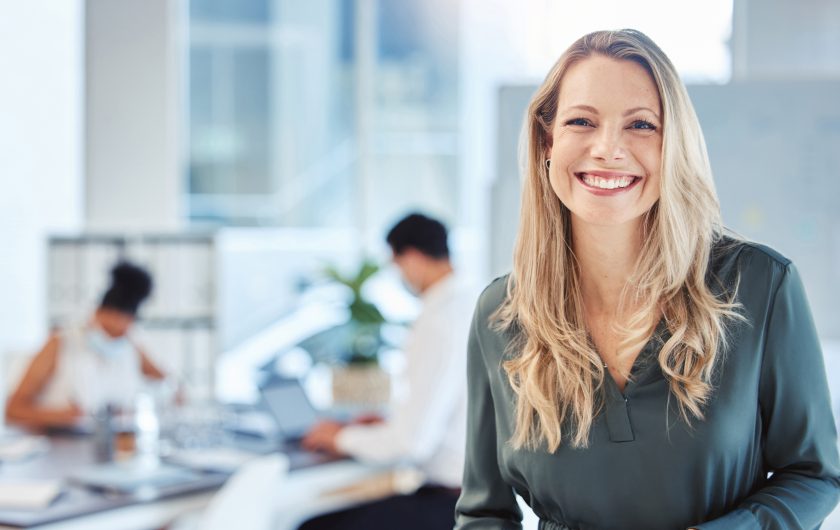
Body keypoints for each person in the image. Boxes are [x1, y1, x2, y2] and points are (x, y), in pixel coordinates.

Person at [455, 29, 840, 530]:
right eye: (581, 121)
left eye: (640, 124)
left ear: (674, 144)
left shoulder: (760, 285)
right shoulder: (499, 314)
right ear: (548, 140)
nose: (608, 149)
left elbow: (814, 474)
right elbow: (484, 512)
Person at [299, 212, 476, 530]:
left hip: (448, 504)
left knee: (312, 526)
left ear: (410, 258)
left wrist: (339, 437)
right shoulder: (473, 302)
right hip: (476, 501)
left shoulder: (439, 321)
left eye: (396, 265)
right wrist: (390, 423)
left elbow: (412, 444)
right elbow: (445, 413)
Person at [6, 261, 168, 429]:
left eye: (120, 333)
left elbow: (166, 381)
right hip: (61, 446)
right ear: (96, 314)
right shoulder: (60, 342)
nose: (112, 338)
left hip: (110, 447)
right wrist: (60, 416)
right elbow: (13, 410)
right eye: (107, 329)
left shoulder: (131, 345)